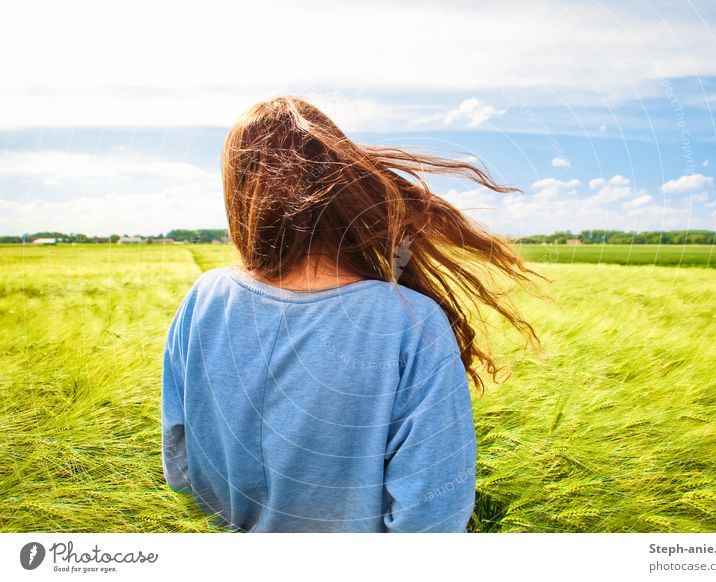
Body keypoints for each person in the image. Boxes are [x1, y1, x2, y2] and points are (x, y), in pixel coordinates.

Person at [161, 96, 546, 532]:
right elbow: (433, 518)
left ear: (240, 195)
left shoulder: (203, 298)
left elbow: (181, 465)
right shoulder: (410, 322)